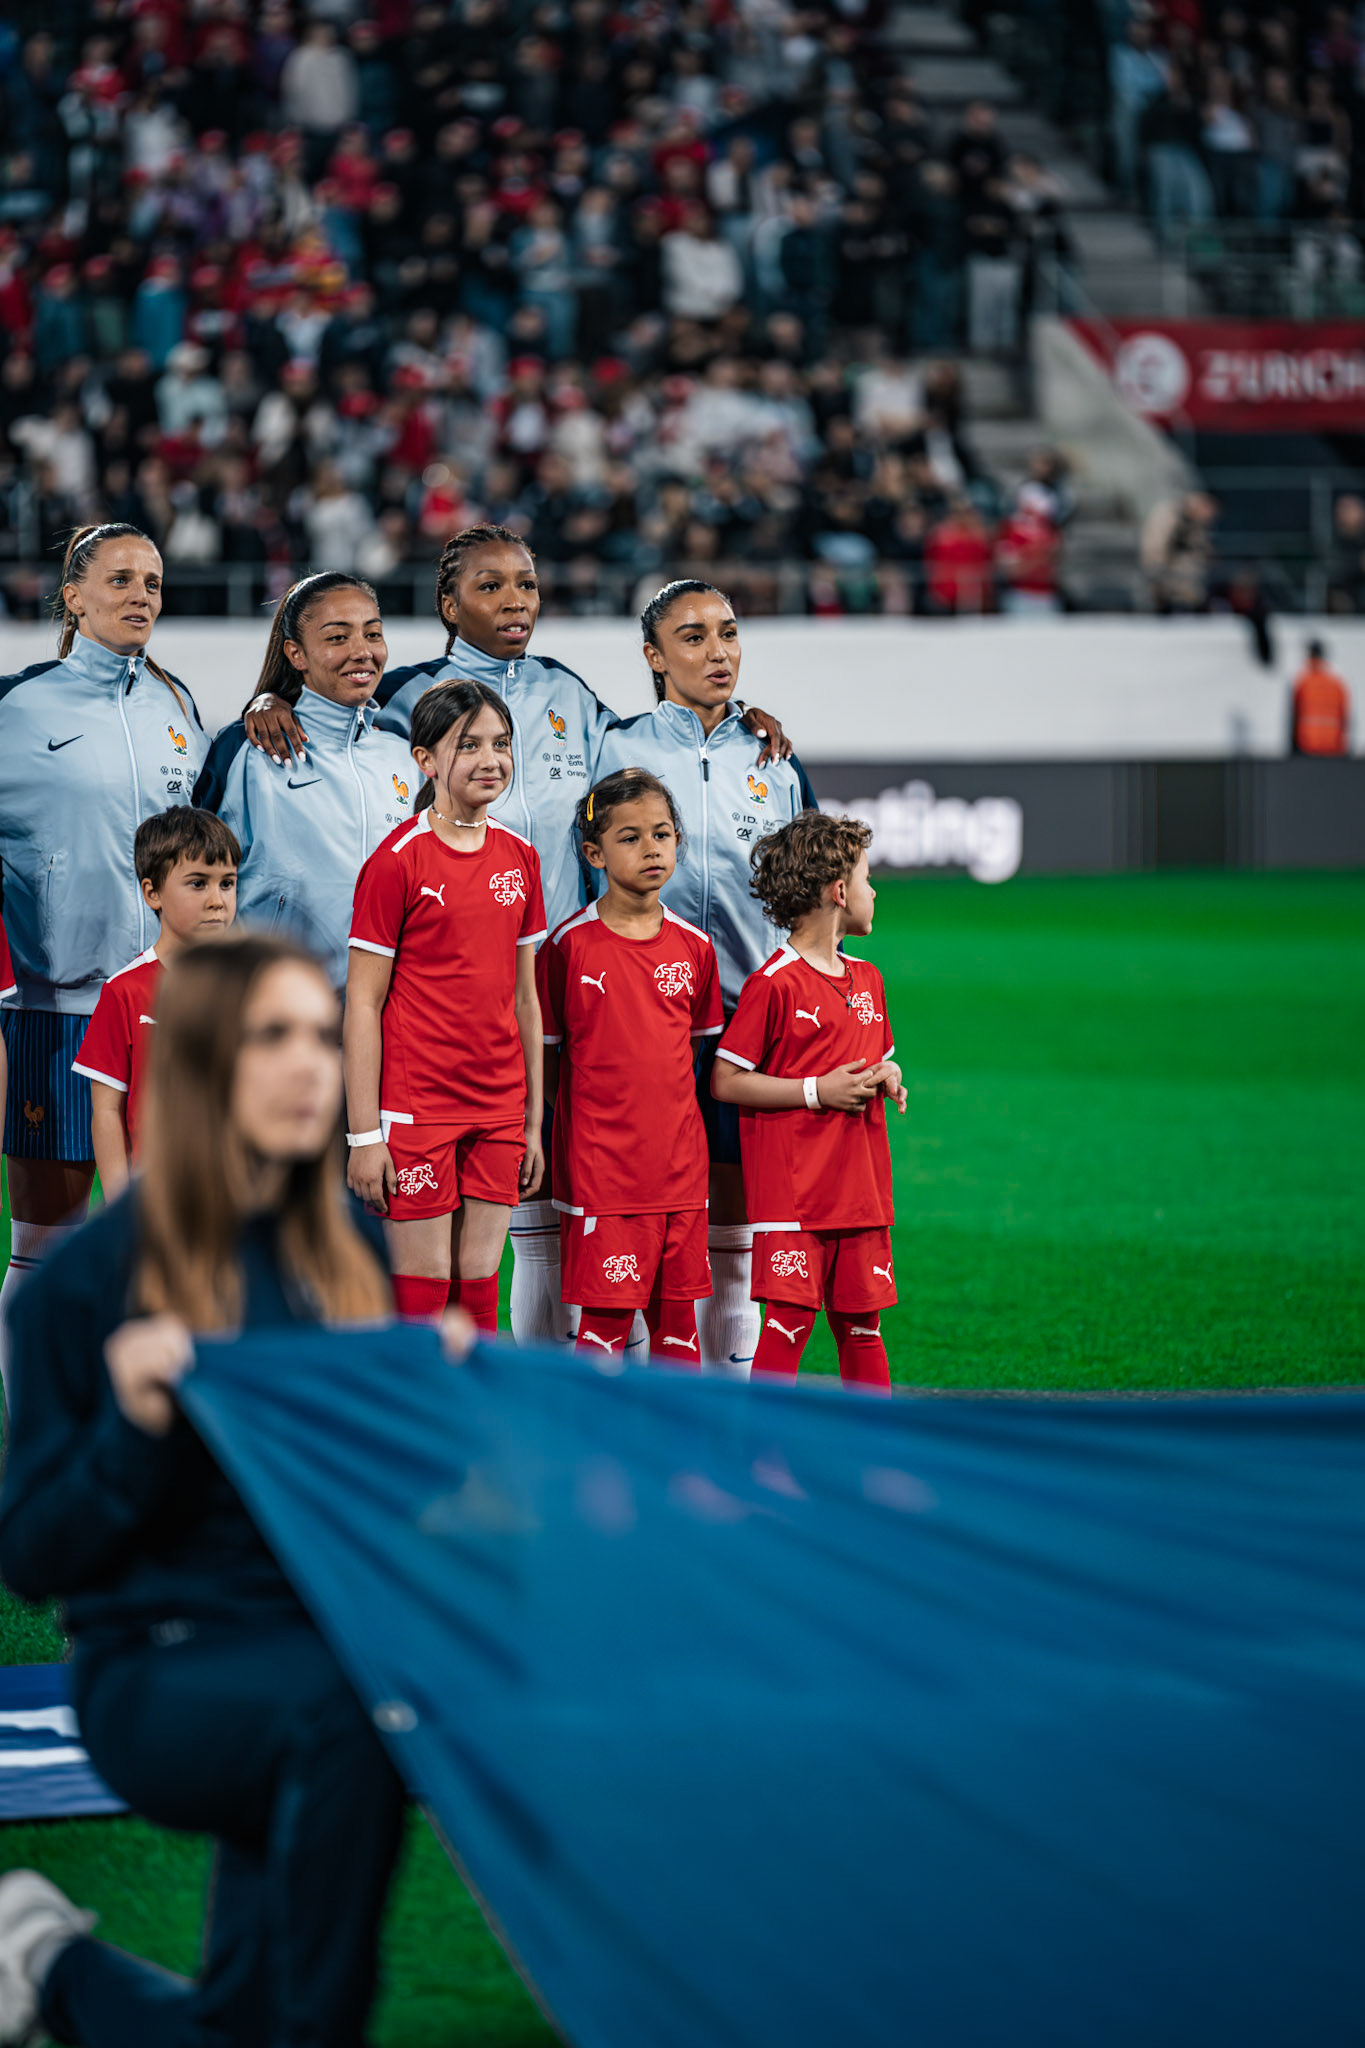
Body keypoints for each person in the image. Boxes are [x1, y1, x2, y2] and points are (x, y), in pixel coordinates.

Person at [0, 934, 424, 2047]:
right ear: (197, 1064)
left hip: (303, 1651)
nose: (311, 1067)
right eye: (271, 1037)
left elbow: (370, 1504)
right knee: (355, 1711)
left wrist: (432, 1418)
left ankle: (49, 1965)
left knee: (246, 2025)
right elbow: (32, 1552)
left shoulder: (346, 1256)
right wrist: (133, 1428)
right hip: (155, 1670)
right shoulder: (83, 1284)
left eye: (324, 1038)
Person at [241, 526, 790, 1349]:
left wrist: (734, 716)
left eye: (526, 585)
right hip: (434, 1012)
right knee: (445, 1232)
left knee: (560, 1206)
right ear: (448, 603)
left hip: (564, 992)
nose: (515, 603)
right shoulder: (400, 694)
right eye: (491, 587)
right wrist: (267, 701)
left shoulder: (571, 697)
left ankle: (555, 1389)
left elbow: (654, 747)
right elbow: (333, 711)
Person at [0, 522, 209, 1394]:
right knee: (48, 1238)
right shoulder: (18, 707)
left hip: (167, 1009)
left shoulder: (176, 705)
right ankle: (37, 1427)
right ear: (72, 596)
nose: (140, 596)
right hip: (57, 1008)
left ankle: (144, 1432)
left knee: (168, 1237)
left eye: (154, 583)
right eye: (120, 579)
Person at [594, 580, 816, 1377]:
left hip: (751, 1026)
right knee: (636, 1220)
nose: (717, 652)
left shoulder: (774, 757)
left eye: (727, 633)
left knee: (735, 1222)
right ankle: (647, 1396)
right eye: (692, 638)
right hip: (637, 1022)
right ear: (653, 658)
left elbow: (813, 891)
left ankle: (720, 1404)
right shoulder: (610, 746)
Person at [345, 680, 547, 1334]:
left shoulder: (521, 858)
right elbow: (363, 1003)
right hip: (416, 1107)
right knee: (424, 1291)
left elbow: (525, 998)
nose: (491, 759)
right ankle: (408, 1433)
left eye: (501, 744)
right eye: (470, 745)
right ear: (426, 760)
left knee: (481, 1284)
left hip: (498, 1107)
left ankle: (471, 1433)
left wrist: (533, 1122)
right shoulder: (395, 862)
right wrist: (364, 1135)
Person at [712, 811, 906, 1391]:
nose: (874, 892)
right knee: (791, 1321)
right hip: (794, 1198)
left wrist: (887, 1073)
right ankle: (763, 1453)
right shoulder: (773, 983)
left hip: (861, 1194)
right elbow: (726, 1080)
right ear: (840, 891)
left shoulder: (868, 979)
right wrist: (816, 1092)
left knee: (862, 1326)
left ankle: (873, 1454)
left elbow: (871, 1059)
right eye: (868, 879)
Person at [538, 768, 722, 1365]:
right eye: (631, 837)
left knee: (679, 1332)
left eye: (663, 835)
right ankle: (596, 1458)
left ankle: (672, 1457)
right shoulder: (568, 947)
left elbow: (691, 1054)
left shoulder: (695, 948)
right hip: (604, 1177)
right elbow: (546, 1058)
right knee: (604, 1328)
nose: (652, 849)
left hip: (680, 1173)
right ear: (593, 852)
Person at [195, 572, 416, 987]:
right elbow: (198, 879)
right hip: (276, 1006)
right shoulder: (249, 748)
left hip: (388, 1016)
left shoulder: (403, 757)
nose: (362, 652)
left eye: (373, 634)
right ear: (297, 654)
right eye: (337, 638)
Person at [73, 807, 240, 1200]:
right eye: (198, 884)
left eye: (228, 883)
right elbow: (107, 1112)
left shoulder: (258, 986)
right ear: (152, 892)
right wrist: (121, 1210)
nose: (218, 900)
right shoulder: (124, 991)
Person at [1291, 639, 1351, 755]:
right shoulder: (1337, 684)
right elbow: (1345, 718)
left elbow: (1294, 716)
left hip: (1307, 746)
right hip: (1333, 746)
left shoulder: (1303, 682)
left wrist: (1293, 749)